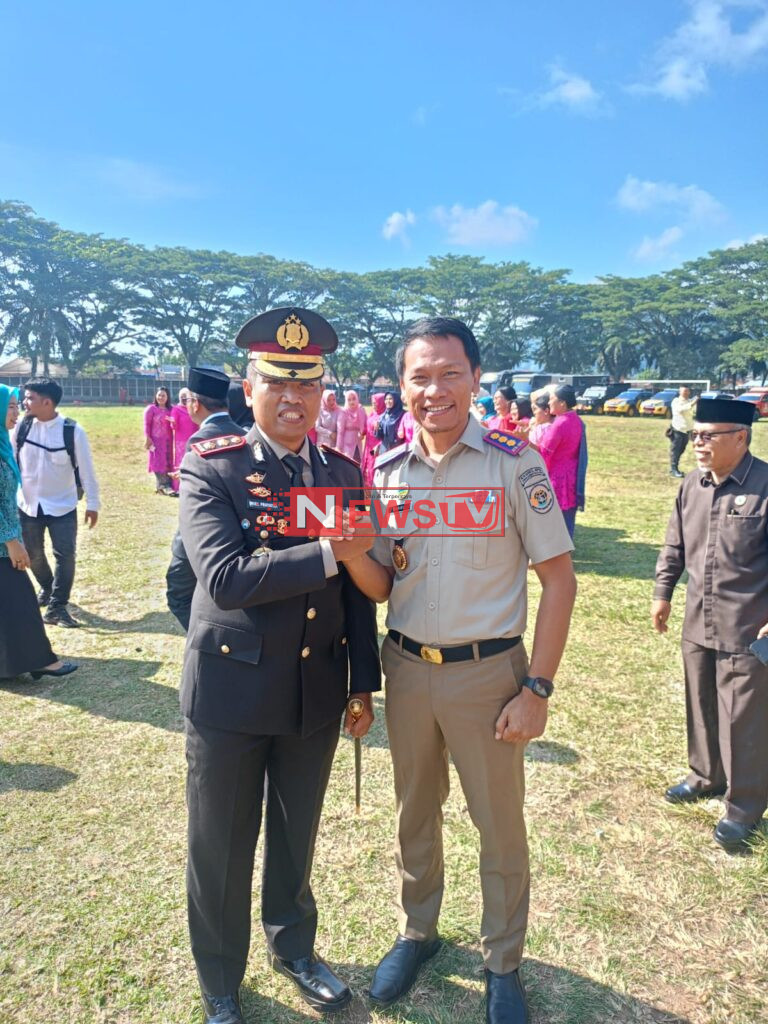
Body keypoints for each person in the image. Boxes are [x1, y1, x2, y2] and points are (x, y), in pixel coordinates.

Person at [344, 316, 576, 1023]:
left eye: (450, 373)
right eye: (420, 376)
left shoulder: (514, 463)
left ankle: (503, 961)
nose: (435, 389)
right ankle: (418, 931)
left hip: (487, 675)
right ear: (401, 386)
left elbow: (559, 581)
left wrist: (537, 689)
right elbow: (383, 583)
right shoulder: (387, 471)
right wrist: (350, 551)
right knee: (414, 811)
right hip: (407, 666)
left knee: (497, 825)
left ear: (476, 378)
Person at [178, 307, 381, 1024]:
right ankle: (220, 980)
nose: (293, 399)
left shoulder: (342, 472)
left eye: (308, 385)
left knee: (296, 836)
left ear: (324, 393)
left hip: (314, 690)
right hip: (231, 693)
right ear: (250, 387)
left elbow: (358, 593)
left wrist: (362, 682)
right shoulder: (213, 464)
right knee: (223, 847)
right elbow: (223, 578)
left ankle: (294, 948)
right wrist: (331, 551)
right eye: (277, 383)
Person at [652, 397, 768, 854]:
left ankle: (744, 807)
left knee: (742, 719)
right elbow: (674, 544)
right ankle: (705, 776)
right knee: (700, 702)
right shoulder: (693, 485)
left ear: (740, 437)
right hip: (698, 618)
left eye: (707, 436)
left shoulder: (764, 486)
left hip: (748, 626)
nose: (697, 443)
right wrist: (663, 592)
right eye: (695, 435)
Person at [0, 385, 77, 681]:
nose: (17, 412)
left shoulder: (3, 443)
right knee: (22, 602)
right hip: (3, 543)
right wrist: (11, 541)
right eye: (10, 406)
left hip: (7, 539)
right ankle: (41, 660)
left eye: (16, 405)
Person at [14, 377, 100, 629]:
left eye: (30, 398)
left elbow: (87, 471)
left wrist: (93, 504)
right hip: (27, 505)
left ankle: (57, 607)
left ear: (47, 402)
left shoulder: (72, 431)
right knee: (32, 554)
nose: (24, 402)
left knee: (65, 555)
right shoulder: (21, 427)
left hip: (62, 505)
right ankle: (48, 587)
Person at [165, 369, 246, 633]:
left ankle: (204, 641)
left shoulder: (201, 439)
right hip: (238, 531)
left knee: (178, 593)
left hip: (205, 530)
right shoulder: (242, 434)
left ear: (195, 403)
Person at [531, 385, 587, 539]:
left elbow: (543, 453)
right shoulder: (577, 420)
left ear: (562, 403)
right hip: (572, 478)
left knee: (550, 522)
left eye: (552, 399)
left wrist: (525, 441)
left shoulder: (559, 424)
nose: (549, 403)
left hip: (556, 480)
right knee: (567, 522)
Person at [144, 386, 175, 494]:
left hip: (169, 441)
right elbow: (147, 425)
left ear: (168, 397)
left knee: (168, 462)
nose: (161, 398)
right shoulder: (151, 409)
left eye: (163, 395)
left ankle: (167, 485)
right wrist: (148, 438)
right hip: (156, 441)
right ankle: (163, 485)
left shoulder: (171, 410)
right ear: (156, 396)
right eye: (159, 395)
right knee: (158, 462)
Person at [169, 387, 197, 492]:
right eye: (182, 397)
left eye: (186, 397)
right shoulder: (176, 409)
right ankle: (178, 487)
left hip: (193, 439)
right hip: (180, 441)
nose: (184, 399)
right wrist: (173, 423)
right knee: (181, 462)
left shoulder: (193, 408)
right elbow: (174, 426)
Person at [668, 386, 697, 478]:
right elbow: (680, 410)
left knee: (681, 449)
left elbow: (694, 412)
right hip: (678, 429)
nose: (686, 393)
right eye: (684, 391)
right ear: (680, 392)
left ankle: (673, 468)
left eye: (688, 391)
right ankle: (674, 469)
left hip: (687, 430)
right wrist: (693, 403)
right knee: (675, 450)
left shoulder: (690, 401)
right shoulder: (676, 401)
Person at [362, 392, 385, 488]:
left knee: (374, 468)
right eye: (372, 403)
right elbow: (367, 426)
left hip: (376, 448)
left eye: (376, 403)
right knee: (366, 468)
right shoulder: (372, 413)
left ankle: (375, 490)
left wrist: (379, 446)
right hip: (368, 446)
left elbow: (386, 435)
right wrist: (362, 432)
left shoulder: (385, 417)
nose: (374, 405)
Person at [336, 390, 367, 461]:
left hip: (358, 443)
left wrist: (362, 433)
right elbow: (340, 432)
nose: (352, 402)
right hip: (347, 444)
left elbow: (366, 425)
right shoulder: (343, 412)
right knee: (348, 463)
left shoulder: (361, 410)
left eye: (353, 399)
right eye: (349, 400)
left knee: (358, 463)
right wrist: (338, 447)